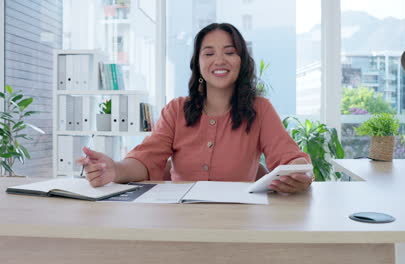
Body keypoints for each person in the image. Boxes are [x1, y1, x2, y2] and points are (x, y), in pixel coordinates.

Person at [78, 22, 313, 194]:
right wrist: (115, 170)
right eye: (209, 53)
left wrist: (300, 172)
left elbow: (289, 157)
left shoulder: (260, 109)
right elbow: (147, 158)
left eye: (230, 52)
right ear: (198, 64)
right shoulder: (176, 110)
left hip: (239, 221)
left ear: (241, 62)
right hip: (181, 219)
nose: (219, 60)